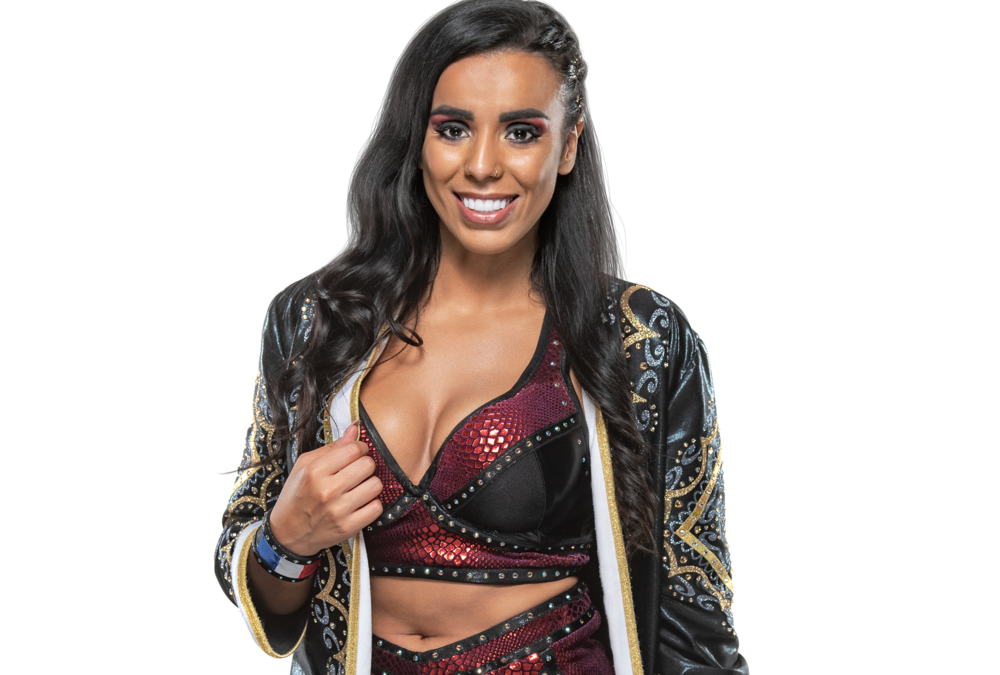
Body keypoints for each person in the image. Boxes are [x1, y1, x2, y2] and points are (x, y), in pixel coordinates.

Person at [212, 1, 747, 673]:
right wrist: (286, 541)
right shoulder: (313, 318)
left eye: (521, 132)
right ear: (417, 138)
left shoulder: (640, 338)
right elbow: (252, 558)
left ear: (568, 145)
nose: (483, 166)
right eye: (453, 129)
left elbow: (695, 612)